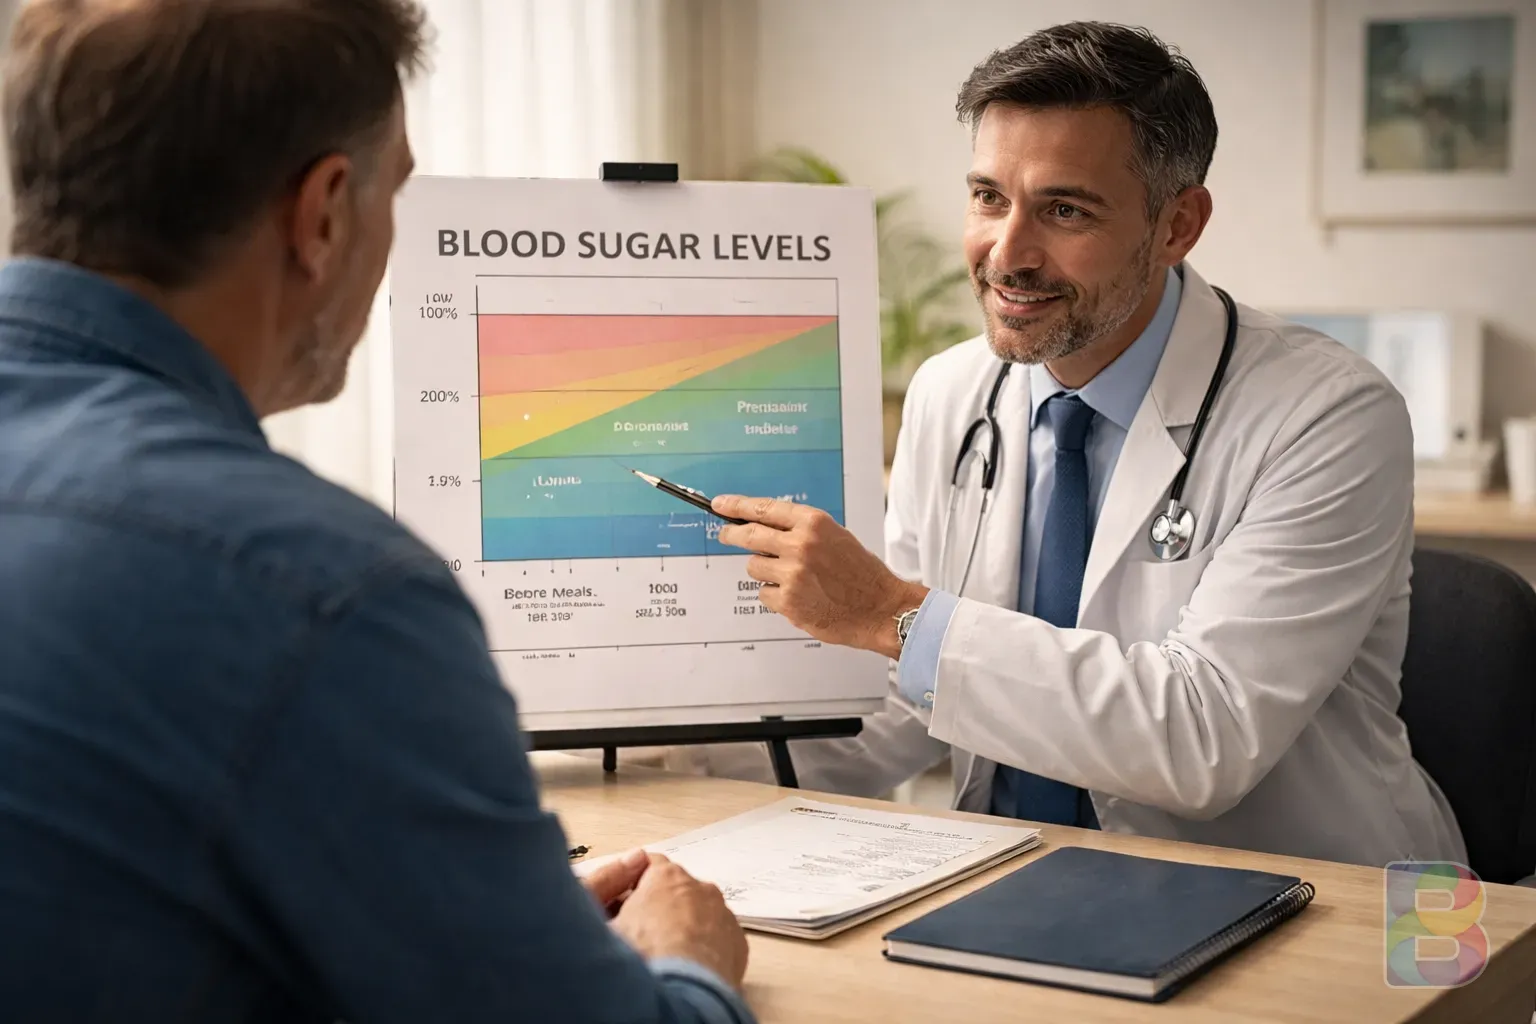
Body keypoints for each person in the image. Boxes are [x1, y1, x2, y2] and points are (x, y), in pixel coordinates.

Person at [0, 2, 753, 1022]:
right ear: (322, 214)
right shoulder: (321, 592)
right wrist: (687, 968)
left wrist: (491, 925)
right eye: (396, 191)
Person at [687, 22, 1466, 868]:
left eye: (1064, 210)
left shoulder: (1328, 416)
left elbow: (1204, 740)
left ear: (1177, 226)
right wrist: (646, 754)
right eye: (988, 197)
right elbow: (908, 707)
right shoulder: (953, 393)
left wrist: (888, 614)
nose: (1006, 254)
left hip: (1314, 902)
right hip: (1013, 873)